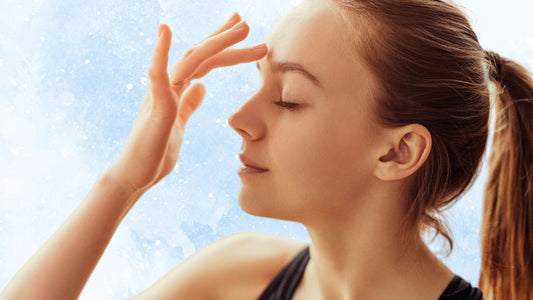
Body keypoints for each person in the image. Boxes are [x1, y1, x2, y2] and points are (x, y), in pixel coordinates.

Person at [0, 0, 531, 299]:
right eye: (255, 83)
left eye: (288, 99)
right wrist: (122, 182)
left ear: (398, 152)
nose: (237, 119)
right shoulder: (237, 274)